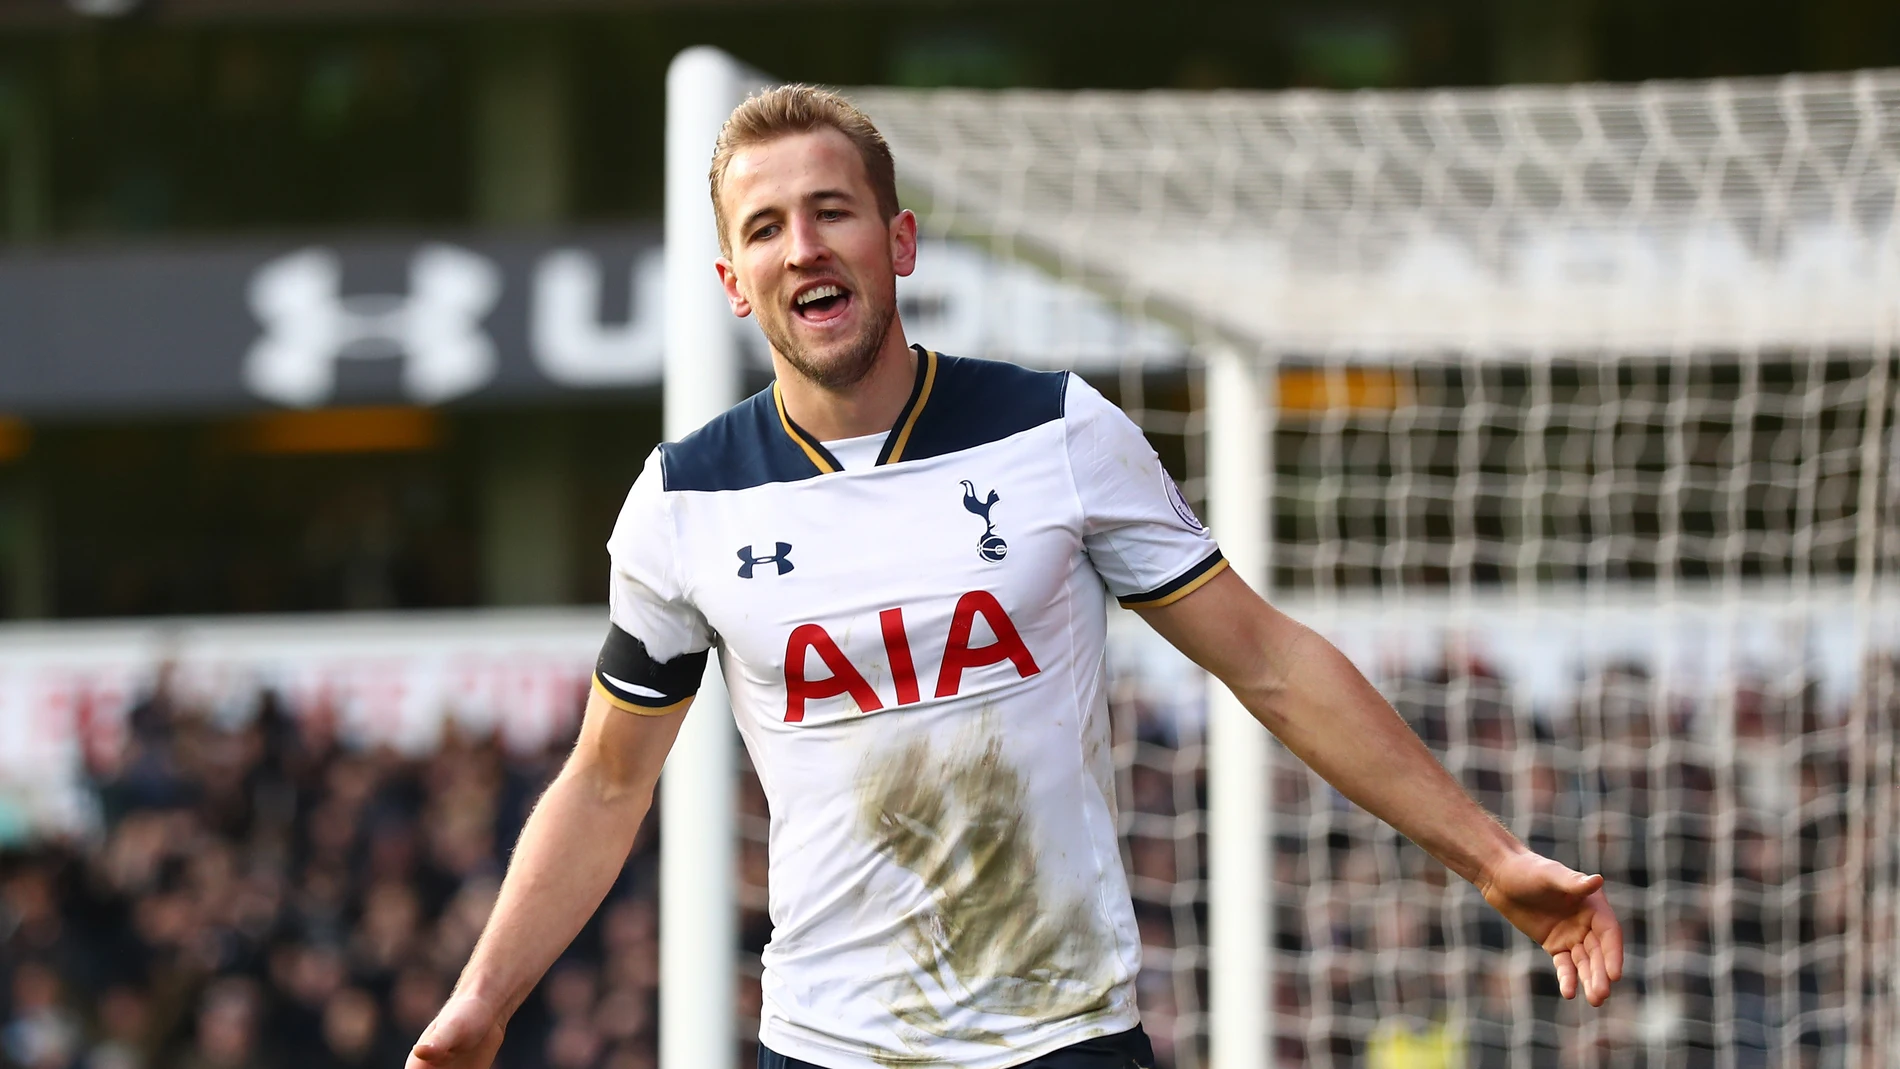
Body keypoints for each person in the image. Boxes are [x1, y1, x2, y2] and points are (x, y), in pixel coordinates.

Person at [406, 86, 1623, 1069]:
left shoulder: (1056, 432)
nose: (803, 246)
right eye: (764, 228)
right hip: (825, 1048)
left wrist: (1487, 855)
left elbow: (1269, 662)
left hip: (1066, 1038)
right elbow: (608, 784)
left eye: (831, 210)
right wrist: (480, 1002)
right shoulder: (684, 502)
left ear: (898, 241)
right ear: (732, 282)